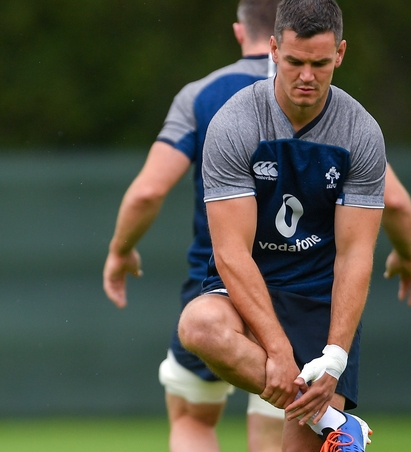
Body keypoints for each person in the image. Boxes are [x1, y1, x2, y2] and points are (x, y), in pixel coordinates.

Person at [177, 0, 390, 450]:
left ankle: (325, 416)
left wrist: (333, 357)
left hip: (318, 299)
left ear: (340, 54)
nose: (307, 76)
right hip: (250, 291)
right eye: (294, 61)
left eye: (319, 63)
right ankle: (332, 420)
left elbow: (355, 255)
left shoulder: (361, 133)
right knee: (198, 325)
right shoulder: (234, 123)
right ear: (273, 50)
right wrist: (275, 347)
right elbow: (231, 253)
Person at [103, 2, 285, 451]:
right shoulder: (319, 96)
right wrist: (408, 252)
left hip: (219, 288)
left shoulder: (201, 95)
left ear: (239, 30)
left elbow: (147, 192)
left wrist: (120, 250)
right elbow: (391, 198)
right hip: (295, 289)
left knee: (192, 419)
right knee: (278, 425)